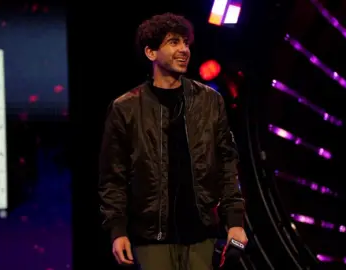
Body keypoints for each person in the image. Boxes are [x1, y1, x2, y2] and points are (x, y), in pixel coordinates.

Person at [98, 12, 247, 270]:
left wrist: (235, 222)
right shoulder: (126, 108)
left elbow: (227, 165)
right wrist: (117, 230)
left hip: (202, 236)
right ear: (151, 53)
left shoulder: (210, 101)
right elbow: (113, 177)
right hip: (151, 239)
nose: (184, 50)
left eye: (186, 43)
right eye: (174, 42)